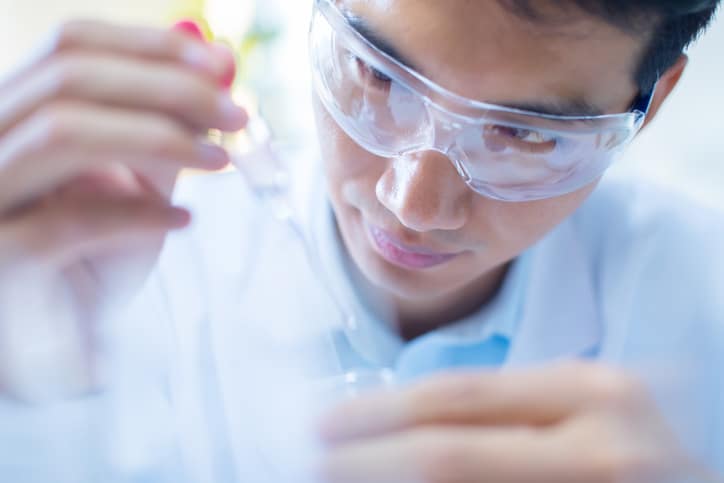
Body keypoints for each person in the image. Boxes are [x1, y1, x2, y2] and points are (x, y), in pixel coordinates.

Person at [0, 1, 722, 482]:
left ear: (651, 102)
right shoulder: (133, 263)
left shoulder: (702, 314)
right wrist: (34, 374)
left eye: (525, 134)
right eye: (378, 77)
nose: (412, 204)